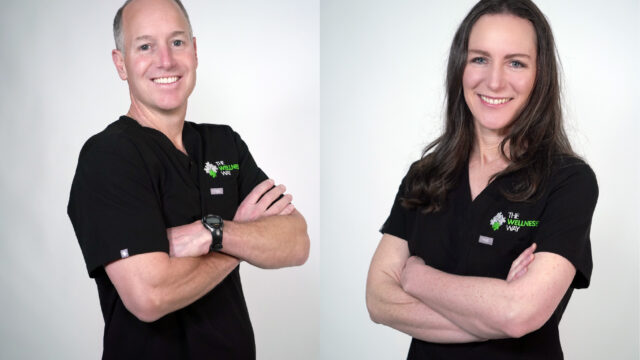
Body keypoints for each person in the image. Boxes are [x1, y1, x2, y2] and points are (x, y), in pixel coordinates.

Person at [67, 0, 309, 358]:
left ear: (195, 52)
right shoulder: (109, 156)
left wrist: (209, 234)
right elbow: (150, 296)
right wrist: (236, 239)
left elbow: (296, 241)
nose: (165, 60)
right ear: (121, 63)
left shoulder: (224, 142)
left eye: (177, 42)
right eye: (145, 46)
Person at [365, 0, 598, 359]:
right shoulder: (424, 176)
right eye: (480, 59)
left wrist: (417, 279)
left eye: (516, 62)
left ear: (541, 74)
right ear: (460, 66)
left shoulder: (569, 181)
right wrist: (496, 310)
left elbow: (518, 314)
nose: (494, 80)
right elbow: (378, 299)